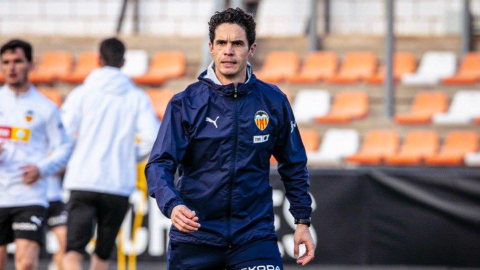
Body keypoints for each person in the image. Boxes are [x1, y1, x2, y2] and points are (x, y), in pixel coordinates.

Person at [146, 8, 315, 270]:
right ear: (211, 48)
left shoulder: (273, 101)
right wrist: (173, 205)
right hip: (196, 236)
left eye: (237, 43)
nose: (229, 50)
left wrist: (302, 221)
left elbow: (294, 163)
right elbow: (158, 164)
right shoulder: (185, 103)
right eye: (222, 43)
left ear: (251, 49)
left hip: (254, 236)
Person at [60, 37, 159, 270]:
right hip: (117, 184)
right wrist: (128, 156)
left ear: (98, 59)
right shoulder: (136, 97)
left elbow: (62, 133)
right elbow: (152, 137)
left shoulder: (81, 94)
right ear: (124, 61)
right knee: (103, 255)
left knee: (73, 252)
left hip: (83, 180)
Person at [0, 39, 72, 270]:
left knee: (26, 264)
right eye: (6, 62)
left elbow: (64, 147)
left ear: (31, 65)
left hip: (29, 196)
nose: (11, 68)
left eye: (18, 61)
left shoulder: (46, 108)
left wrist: (42, 169)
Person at [45, 172, 67, 270]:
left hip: (55, 199)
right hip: (29, 201)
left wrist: (52, 166)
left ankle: (57, 266)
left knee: (66, 241)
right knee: (28, 249)